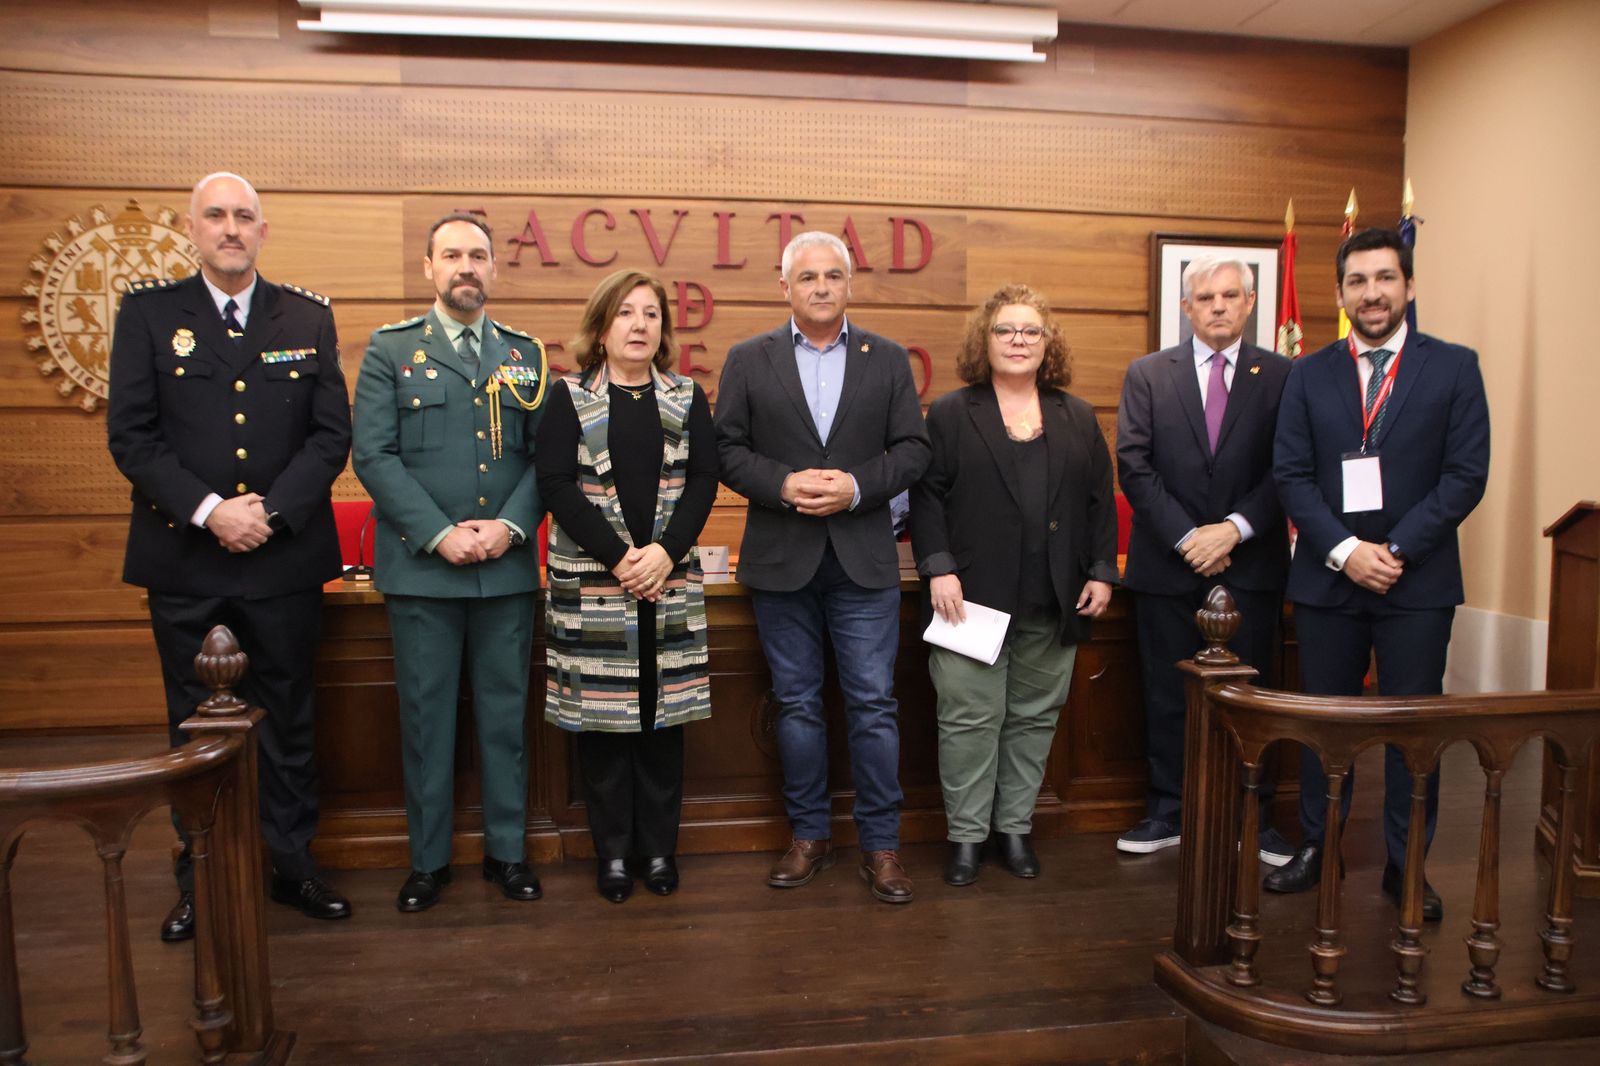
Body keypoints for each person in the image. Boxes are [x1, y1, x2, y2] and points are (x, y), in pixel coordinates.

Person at [107, 171, 353, 939]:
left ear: (263, 231)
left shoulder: (306, 316)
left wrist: (269, 514)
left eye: (244, 216)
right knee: (194, 726)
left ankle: (289, 863)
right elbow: (132, 437)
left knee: (288, 717)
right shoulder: (148, 315)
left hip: (281, 559)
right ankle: (201, 874)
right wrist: (215, 514)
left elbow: (329, 435)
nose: (230, 228)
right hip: (187, 557)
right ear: (193, 229)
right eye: (216, 215)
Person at [1265, 227, 1490, 922]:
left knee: (1411, 731)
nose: (1372, 293)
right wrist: (1344, 551)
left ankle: (1407, 862)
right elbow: (1291, 476)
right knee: (1323, 725)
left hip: (1416, 584)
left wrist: (1393, 550)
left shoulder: (1454, 367)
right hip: (1329, 582)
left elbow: (1465, 476)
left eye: (1385, 278)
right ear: (1340, 295)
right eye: (1358, 282)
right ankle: (1319, 847)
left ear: (1409, 287)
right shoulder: (1307, 372)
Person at [715, 231, 931, 904]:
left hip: (862, 561)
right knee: (798, 706)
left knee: (873, 706)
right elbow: (726, 450)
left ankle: (881, 846)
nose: (819, 287)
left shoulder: (887, 359)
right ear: (785, 287)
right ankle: (809, 836)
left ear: (849, 285)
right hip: (782, 559)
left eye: (832, 276)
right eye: (806, 277)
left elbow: (913, 450)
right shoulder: (748, 359)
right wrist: (782, 484)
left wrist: (856, 487)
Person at [352, 212, 548, 912]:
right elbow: (373, 457)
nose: (467, 266)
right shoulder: (390, 350)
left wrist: (510, 527)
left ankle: (508, 853)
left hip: (504, 569)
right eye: (453, 255)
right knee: (428, 722)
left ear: (494, 269)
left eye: (479, 256)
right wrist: (440, 534)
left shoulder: (527, 354)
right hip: (425, 571)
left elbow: (542, 459)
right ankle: (429, 861)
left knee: (505, 718)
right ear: (429, 267)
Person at [910, 284, 1118, 886]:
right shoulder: (952, 413)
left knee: (1033, 719)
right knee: (969, 720)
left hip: (1055, 597)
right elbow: (926, 498)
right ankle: (968, 838)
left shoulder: (1075, 415)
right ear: (986, 340)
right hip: (968, 599)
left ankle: (1014, 830)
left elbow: (1101, 501)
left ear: (1047, 342)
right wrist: (938, 565)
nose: (1019, 340)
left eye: (1031, 330)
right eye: (1006, 330)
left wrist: (1103, 570)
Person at [536, 269, 718, 903]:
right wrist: (622, 560)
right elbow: (556, 485)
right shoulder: (568, 397)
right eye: (626, 314)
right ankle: (612, 855)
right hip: (596, 587)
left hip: (668, 583)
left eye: (651, 314)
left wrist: (665, 555)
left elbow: (703, 483)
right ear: (602, 327)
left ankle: (659, 852)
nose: (639, 325)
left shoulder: (687, 396)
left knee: (663, 725)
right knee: (605, 730)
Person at [1114, 255, 1295, 865]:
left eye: (1230, 295)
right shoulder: (1147, 374)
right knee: (1166, 693)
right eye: (1205, 297)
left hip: (1251, 563)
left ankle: (1255, 815)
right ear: (1186, 307)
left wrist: (1233, 531)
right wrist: (1192, 536)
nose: (1217, 306)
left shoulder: (1283, 375)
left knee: (1253, 695)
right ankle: (1167, 810)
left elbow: (1291, 469)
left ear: (1249, 303)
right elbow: (1134, 466)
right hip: (1169, 563)